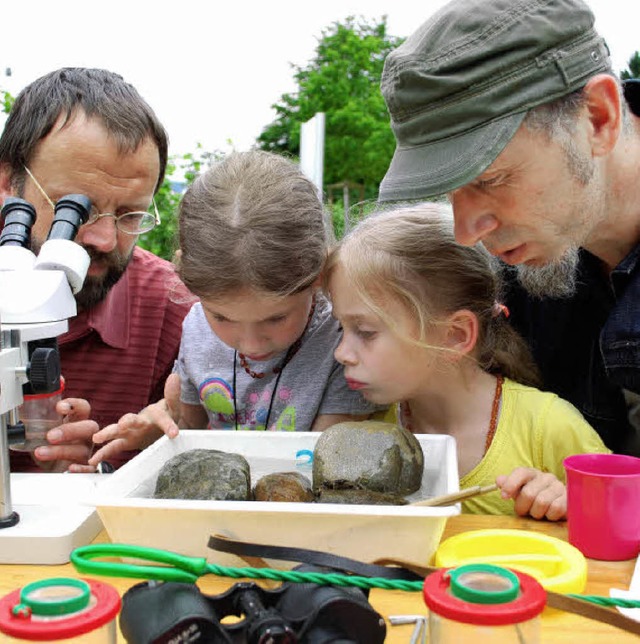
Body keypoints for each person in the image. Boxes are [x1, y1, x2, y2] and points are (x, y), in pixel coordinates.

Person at [377, 0, 640, 456]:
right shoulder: (520, 262)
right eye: (449, 190)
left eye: (490, 180)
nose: (465, 232)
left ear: (598, 118)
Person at [87, 150, 379, 465]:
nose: (251, 343)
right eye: (222, 317)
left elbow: (325, 462)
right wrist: (156, 431)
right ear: (186, 276)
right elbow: (189, 428)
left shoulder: (340, 341)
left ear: (319, 275)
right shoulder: (197, 327)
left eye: (276, 318)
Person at [326, 203, 609, 519]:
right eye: (341, 326)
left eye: (364, 331)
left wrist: (569, 502)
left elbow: (621, 516)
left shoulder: (548, 427)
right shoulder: (364, 431)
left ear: (455, 335)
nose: (341, 353)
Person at [0, 67, 195, 472]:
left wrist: (97, 476)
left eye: (129, 214)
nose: (104, 239)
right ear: (7, 183)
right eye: (77, 209)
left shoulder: (172, 313)